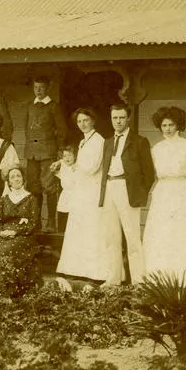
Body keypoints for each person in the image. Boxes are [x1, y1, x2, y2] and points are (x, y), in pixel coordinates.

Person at [143, 107, 186, 279]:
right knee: (162, 233)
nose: (168, 129)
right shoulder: (157, 148)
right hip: (162, 192)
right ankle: (160, 275)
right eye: (164, 125)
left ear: (178, 125)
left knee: (181, 233)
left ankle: (185, 275)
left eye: (171, 125)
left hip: (181, 192)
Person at [98, 103, 155, 286]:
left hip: (127, 189)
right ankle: (114, 277)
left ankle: (138, 280)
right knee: (111, 237)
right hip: (109, 188)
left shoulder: (139, 141)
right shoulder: (107, 142)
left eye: (121, 117)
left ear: (128, 118)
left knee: (132, 237)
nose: (118, 121)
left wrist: (138, 192)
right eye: (115, 117)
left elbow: (149, 173)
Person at [54, 109, 110, 282]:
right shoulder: (83, 142)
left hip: (92, 190)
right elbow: (80, 165)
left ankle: (95, 272)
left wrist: (73, 166)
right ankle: (76, 268)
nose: (83, 124)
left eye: (86, 120)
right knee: (78, 228)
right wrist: (64, 163)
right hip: (82, 189)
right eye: (79, 121)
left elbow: (92, 167)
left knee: (91, 229)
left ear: (93, 121)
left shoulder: (98, 140)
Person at [0, 167, 42, 297]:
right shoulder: (3, 199)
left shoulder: (31, 199)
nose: (16, 179)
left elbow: (34, 223)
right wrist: (1, 232)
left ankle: (8, 291)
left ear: (23, 179)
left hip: (23, 235)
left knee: (7, 250)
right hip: (3, 233)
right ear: (9, 182)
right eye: (12, 177)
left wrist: (16, 232)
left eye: (18, 176)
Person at [24, 76, 67, 233]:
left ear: (48, 88)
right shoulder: (30, 106)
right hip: (32, 154)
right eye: (36, 87)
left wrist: (59, 152)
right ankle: (35, 222)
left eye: (42, 87)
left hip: (48, 153)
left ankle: (50, 223)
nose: (39, 91)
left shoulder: (54, 106)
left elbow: (62, 131)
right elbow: (27, 129)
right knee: (33, 188)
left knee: (49, 188)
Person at [54, 145, 77, 234]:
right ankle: (61, 234)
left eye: (70, 155)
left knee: (72, 215)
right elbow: (58, 166)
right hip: (65, 195)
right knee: (62, 213)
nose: (67, 158)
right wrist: (59, 161)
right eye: (65, 156)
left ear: (75, 156)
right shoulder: (63, 166)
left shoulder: (77, 167)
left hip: (75, 194)